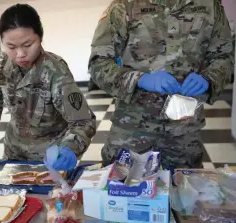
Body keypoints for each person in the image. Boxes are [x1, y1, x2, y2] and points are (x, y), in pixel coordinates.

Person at [88, 0, 234, 169]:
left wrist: (210, 78)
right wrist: (139, 79)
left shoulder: (209, 5)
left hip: (184, 131)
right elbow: (98, 63)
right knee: (123, 190)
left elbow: (224, 57)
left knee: (183, 190)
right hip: (132, 131)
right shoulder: (125, 5)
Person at [0, 4, 96, 171]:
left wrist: (70, 148)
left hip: (50, 156)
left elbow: (83, 121)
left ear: (40, 37)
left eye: (28, 45)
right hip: (14, 150)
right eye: (11, 47)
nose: (20, 54)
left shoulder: (55, 72)